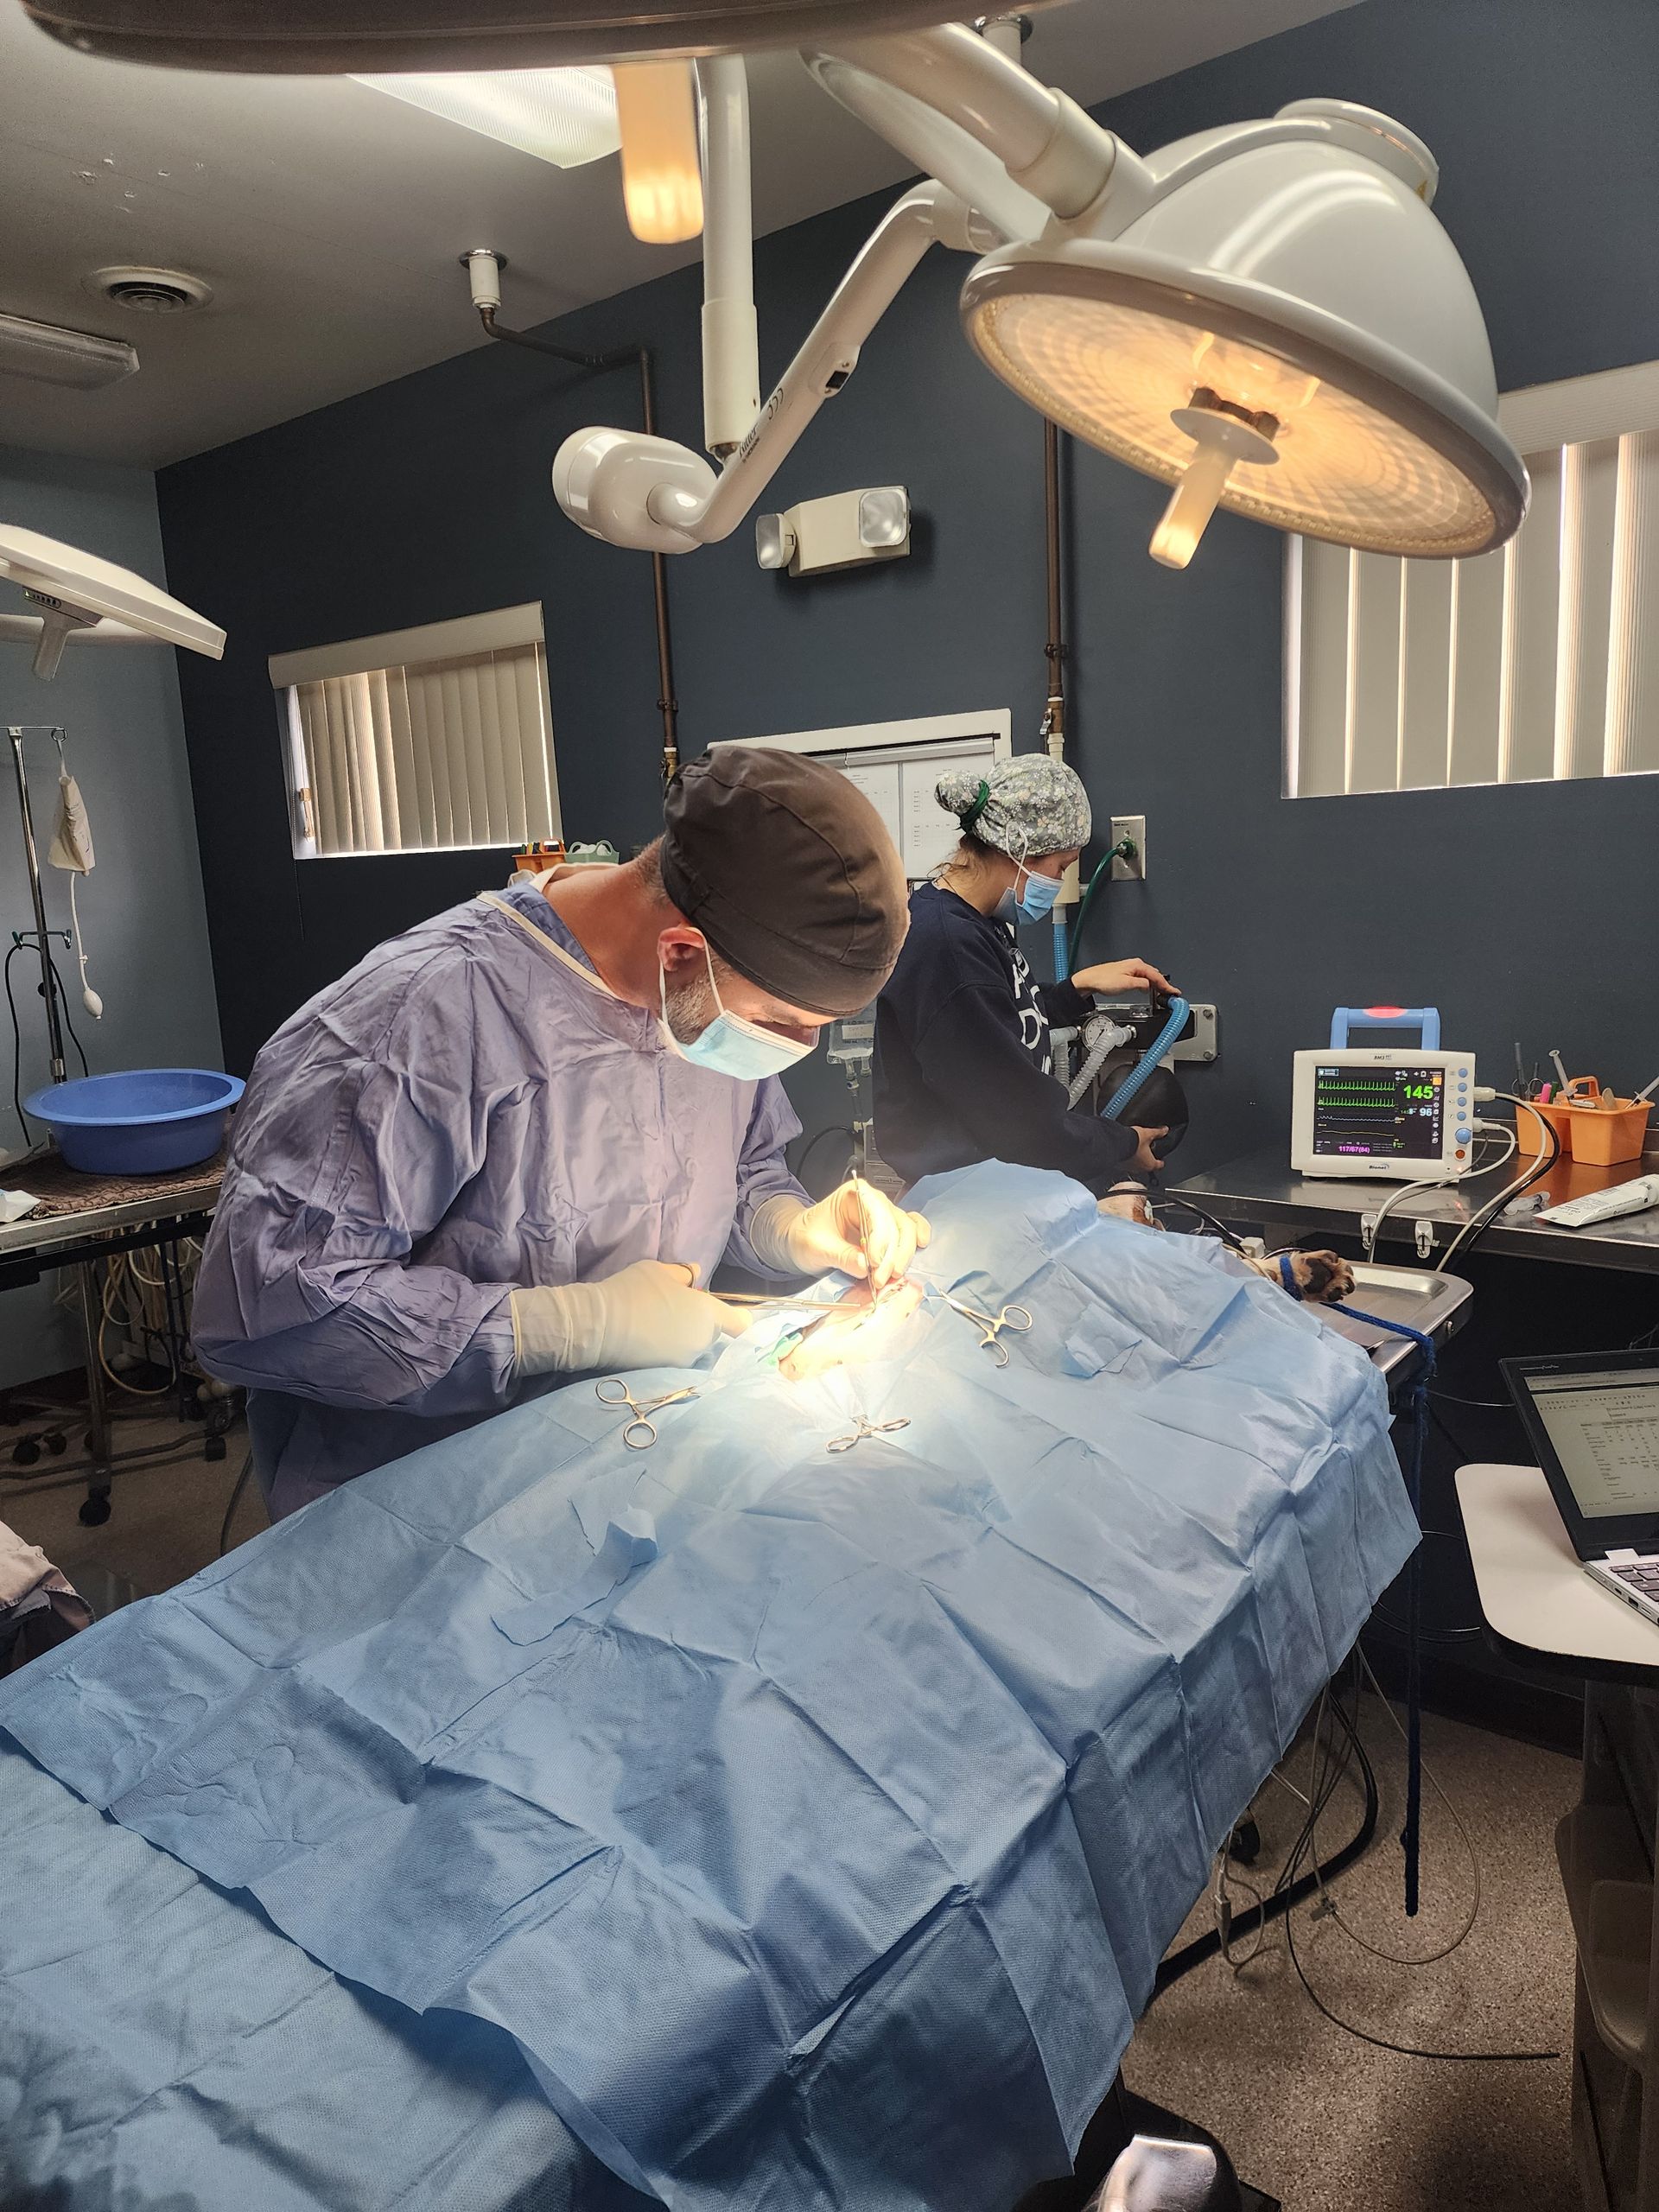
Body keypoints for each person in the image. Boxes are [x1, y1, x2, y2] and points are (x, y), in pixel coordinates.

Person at [194, 747, 928, 1520]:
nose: (791, 1049)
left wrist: (794, 1228)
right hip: (428, 1507)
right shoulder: (420, 1017)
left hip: (627, 1465)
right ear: (683, 953)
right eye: (781, 1024)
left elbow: (737, 1174)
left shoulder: (700, 1009)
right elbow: (268, 1313)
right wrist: (571, 1327)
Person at [874, 755, 1175, 1210]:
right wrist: (1122, 1144)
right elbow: (1022, 1122)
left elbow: (996, 1026)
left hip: (991, 1188)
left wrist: (1074, 991)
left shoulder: (977, 923)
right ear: (1021, 850)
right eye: (1061, 866)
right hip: (965, 1201)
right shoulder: (946, 945)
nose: (1057, 882)